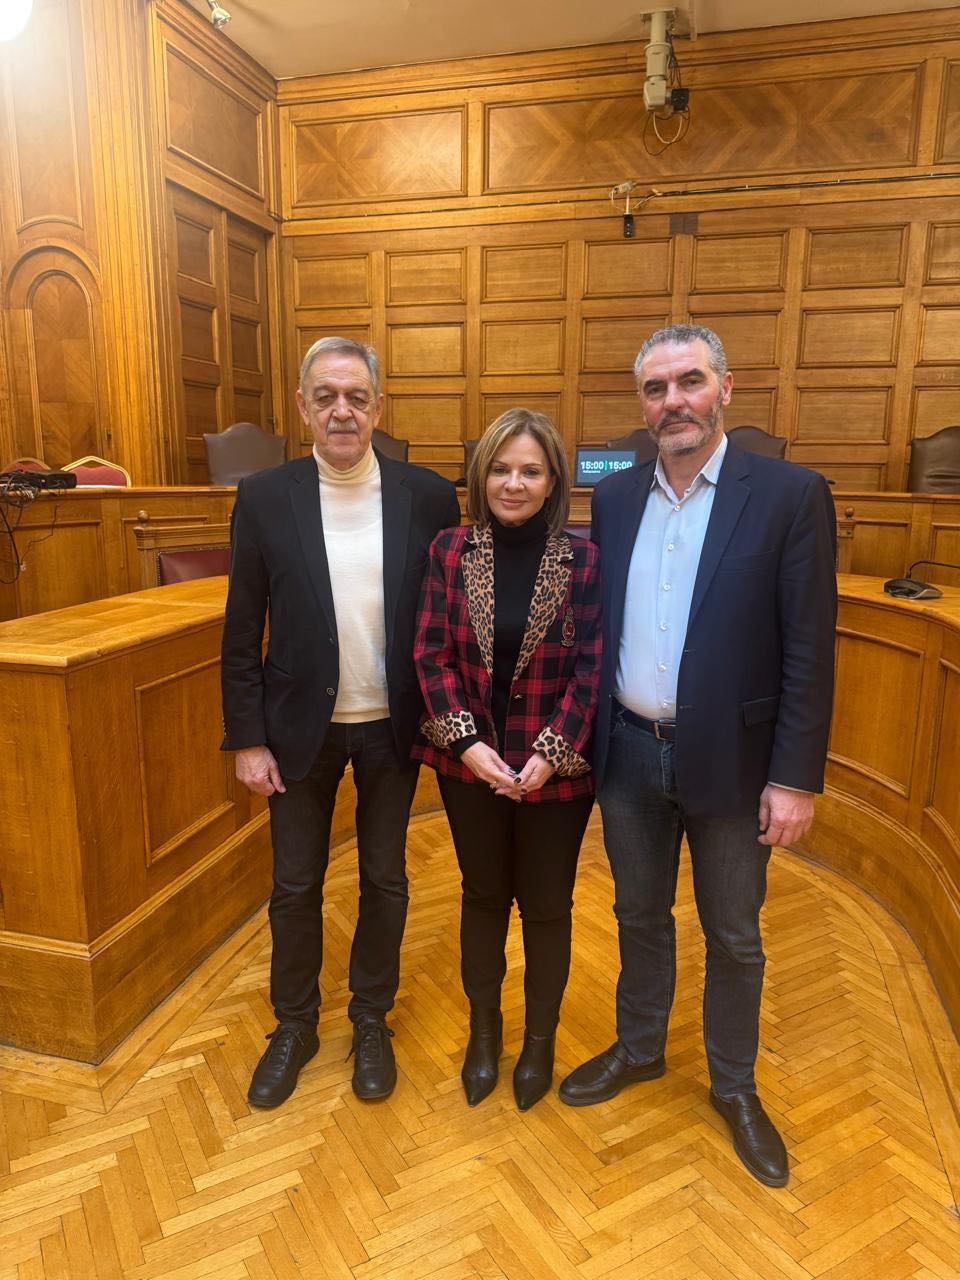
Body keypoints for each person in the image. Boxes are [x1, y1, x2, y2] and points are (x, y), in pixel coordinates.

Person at [558, 324, 836, 1187]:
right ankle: (640, 1048)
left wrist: (794, 778)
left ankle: (734, 1086)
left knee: (735, 936)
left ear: (726, 389)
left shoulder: (789, 495)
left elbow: (809, 649)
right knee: (638, 915)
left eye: (690, 381)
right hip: (628, 754)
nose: (673, 401)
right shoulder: (614, 499)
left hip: (738, 764)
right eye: (656, 388)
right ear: (641, 405)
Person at [221, 336, 460, 1108]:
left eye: (356, 397)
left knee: (386, 877)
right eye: (325, 397)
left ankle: (369, 1018)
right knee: (295, 884)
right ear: (302, 407)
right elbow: (241, 629)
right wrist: (247, 737)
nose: (342, 411)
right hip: (298, 730)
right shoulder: (265, 497)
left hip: (394, 726)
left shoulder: (429, 497)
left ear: (378, 406)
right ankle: (294, 1025)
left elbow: (448, 623)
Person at [413, 409, 601, 1111]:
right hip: (471, 765)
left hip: (558, 772)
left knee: (548, 906)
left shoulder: (583, 560)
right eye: (500, 469)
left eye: (530, 471)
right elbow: (429, 654)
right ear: (480, 475)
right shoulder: (450, 550)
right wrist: (468, 744)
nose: (513, 484)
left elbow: (592, 669)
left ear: (553, 481)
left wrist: (552, 752)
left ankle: (540, 1041)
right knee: (484, 895)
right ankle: (484, 1034)